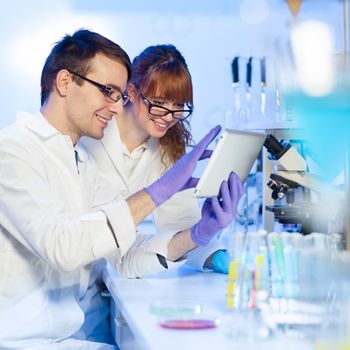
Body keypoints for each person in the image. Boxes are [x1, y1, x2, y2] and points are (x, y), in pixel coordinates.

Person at [0, 29, 242, 349]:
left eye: (119, 96)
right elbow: (62, 247)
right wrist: (156, 193)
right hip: (22, 338)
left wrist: (198, 234)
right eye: (109, 92)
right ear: (64, 82)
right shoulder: (12, 149)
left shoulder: (80, 162)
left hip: (69, 332)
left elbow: (125, 257)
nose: (116, 108)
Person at [81, 44, 239, 276]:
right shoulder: (92, 134)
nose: (169, 116)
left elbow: (180, 224)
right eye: (159, 103)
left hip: (115, 277)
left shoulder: (168, 147)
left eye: (178, 105)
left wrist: (215, 253)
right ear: (132, 92)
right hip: (72, 274)